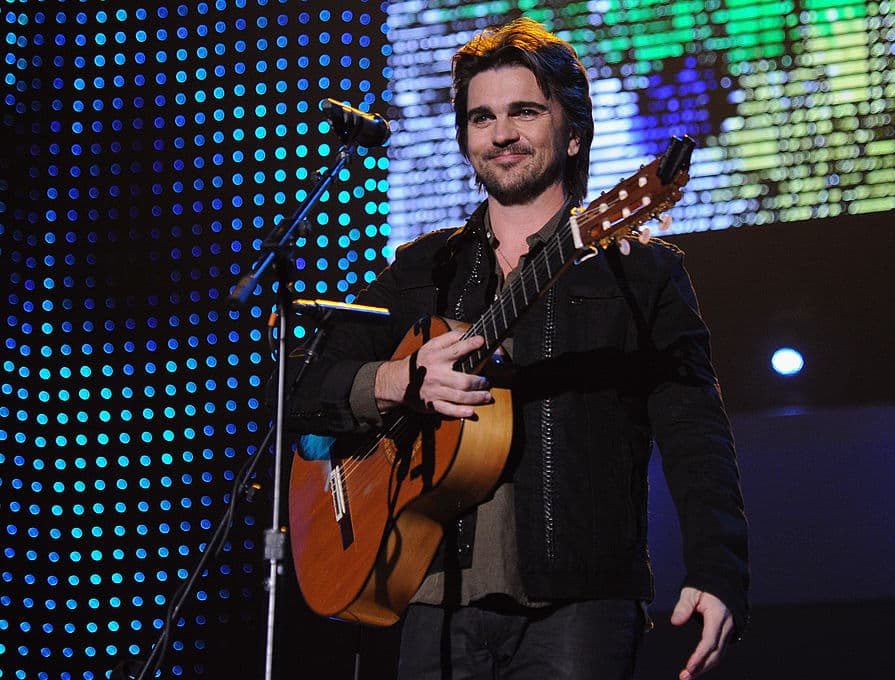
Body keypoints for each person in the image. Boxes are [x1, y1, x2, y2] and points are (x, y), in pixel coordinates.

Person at [288, 16, 749, 680]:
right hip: (431, 595)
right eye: (482, 118)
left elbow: (695, 430)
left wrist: (719, 569)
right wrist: (400, 378)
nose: (501, 133)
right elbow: (304, 392)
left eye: (524, 111)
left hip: (579, 604)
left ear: (573, 131)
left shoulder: (640, 272)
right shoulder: (422, 269)